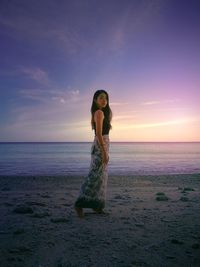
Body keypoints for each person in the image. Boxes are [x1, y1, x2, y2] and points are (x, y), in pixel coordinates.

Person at [74, 89, 112, 218]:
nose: (104, 100)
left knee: (101, 177)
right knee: (94, 177)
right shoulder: (99, 113)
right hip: (101, 145)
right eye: (101, 97)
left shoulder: (101, 113)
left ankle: (97, 206)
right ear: (95, 100)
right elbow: (99, 134)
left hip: (103, 144)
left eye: (106, 98)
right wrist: (104, 151)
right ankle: (79, 204)